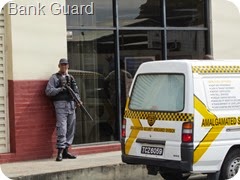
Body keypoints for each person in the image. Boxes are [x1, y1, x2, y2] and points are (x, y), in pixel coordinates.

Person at [45, 58, 81, 161]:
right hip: (60, 105)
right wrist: (60, 89)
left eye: (66, 65)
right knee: (62, 128)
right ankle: (60, 152)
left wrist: (77, 100)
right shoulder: (54, 78)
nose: (64, 67)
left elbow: (76, 91)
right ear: (59, 66)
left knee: (70, 129)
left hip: (71, 105)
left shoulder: (70, 78)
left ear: (68, 66)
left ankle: (66, 151)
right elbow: (48, 91)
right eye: (62, 65)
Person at [105, 60, 132, 140]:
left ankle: (117, 134)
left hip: (115, 99)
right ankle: (123, 134)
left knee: (117, 118)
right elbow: (130, 87)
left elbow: (105, 83)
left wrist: (108, 95)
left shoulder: (112, 74)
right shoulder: (127, 74)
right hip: (124, 99)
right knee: (124, 118)